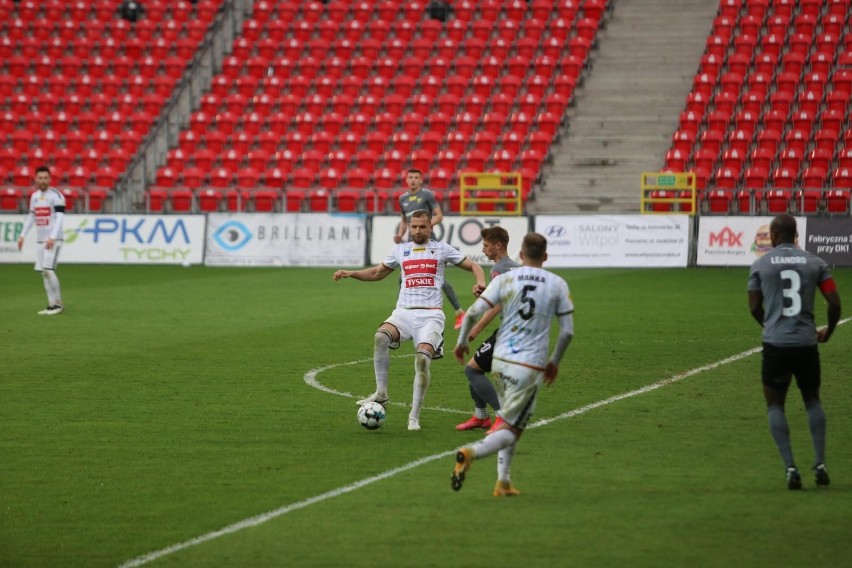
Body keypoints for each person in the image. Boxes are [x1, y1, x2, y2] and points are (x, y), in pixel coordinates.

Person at [334, 209, 486, 431]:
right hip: (403, 312)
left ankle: (414, 416)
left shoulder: (441, 249)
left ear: (430, 228)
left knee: (422, 360)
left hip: (431, 315)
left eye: (422, 226)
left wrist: (480, 282)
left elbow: (474, 265)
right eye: (413, 226)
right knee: (380, 337)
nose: (417, 230)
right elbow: (377, 273)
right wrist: (351, 273)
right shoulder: (401, 250)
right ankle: (382, 393)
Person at [451, 233, 574, 496]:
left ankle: (503, 481)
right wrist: (554, 361)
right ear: (546, 256)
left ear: (520, 255)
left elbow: (472, 312)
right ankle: (470, 452)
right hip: (529, 365)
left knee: (508, 419)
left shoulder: (507, 278)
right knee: (513, 430)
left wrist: (462, 343)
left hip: (500, 360)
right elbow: (567, 332)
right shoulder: (557, 283)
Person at [747, 213, 841, 490]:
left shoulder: (760, 265)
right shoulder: (816, 263)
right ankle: (820, 462)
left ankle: (790, 468)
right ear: (796, 235)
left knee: (775, 405)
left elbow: (753, 307)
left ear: (773, 236)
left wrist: (771, 325)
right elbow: (835, 304)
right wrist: (828, 332)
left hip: (776, 345)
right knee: (812, 399)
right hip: (806, 344)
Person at [455, 226, 520, 431]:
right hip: (521, 328)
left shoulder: (498, 269)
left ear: (498, 246)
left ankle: (503, 416)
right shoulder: (515, 267)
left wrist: (476, 328)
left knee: (471, 370)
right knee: (476, 366)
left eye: (486, 245)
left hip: (508, 329)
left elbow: (498, 305)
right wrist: (485, 292)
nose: (483, 250)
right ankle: (480, 416)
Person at [394, 168, 467, 330]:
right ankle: (405, 308)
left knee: (438, 280)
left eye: (416, 177)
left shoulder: (426, 195)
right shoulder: (402, 198)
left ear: (421, 180)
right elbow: (404, 220)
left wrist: (426, 226)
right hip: (412, 243)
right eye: (410, 177)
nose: (413, 180)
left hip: (428, 241)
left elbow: (439, 215)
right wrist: (400, 234)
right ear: (406, 180)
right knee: (402, 277)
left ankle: (459, 312)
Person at [17, 166, 66, 315]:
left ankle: (58, 304)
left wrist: (52, 236)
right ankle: (51, 304)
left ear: (50, 179)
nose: (43, 181)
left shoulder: (57, 196)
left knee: (48, 269)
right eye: (40, 178)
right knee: (43, 272)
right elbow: (32, 216)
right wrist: (22, 235)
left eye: (46, 178)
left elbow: (60, 217)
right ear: (35, 179)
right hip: (39, 240)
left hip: (53, 239)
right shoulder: (34, 196)